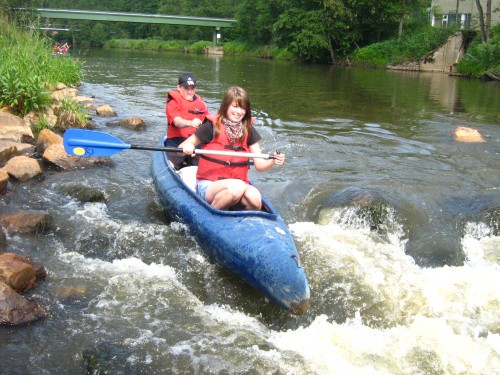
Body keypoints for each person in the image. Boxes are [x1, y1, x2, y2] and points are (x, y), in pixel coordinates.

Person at [180, 86, 285, 211]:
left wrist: (273, 160)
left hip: (237, 186)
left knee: (255, 197)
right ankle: (210, 215)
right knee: (237, 187)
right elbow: (182, 146)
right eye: (235, 106)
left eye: (243, 108)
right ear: (226, 106)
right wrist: (188, 147)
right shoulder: (211, 127)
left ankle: (247, 223)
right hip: (209, 185)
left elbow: (260, 166)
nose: (239, 111)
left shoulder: (249, 131)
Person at [165, 73, 209, 169]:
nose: (189, 91)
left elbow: (209, 123)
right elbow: (177, 121)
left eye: (192, 88)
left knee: (203, 167)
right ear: (179, 87)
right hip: (176, 141)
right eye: (186, 88)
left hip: (196, 141)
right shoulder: (173, 102)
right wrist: (190, 123)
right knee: (170, 165)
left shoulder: (201, 103)